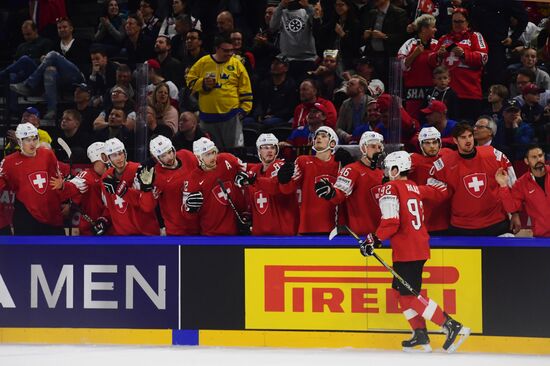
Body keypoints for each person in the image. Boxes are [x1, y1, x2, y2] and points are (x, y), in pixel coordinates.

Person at [365, 150, 469, 353]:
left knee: (410, 295)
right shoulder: (413, 186)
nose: (385, 172)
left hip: (407, 250)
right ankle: (420, 334)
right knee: (400, 293)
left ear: (395, 169)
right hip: (416, 247)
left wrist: (373, 239)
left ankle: (450, 325)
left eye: (388, 168)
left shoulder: (390, 187)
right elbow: (439, 190)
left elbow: (391, 222)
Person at [431, 123, 520, 236]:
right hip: (462, 227)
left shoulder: (493, 155)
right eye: (463, 137)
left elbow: (513, 183)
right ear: (455, 140)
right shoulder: (444, 164)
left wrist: (515, 213)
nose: (468, 140)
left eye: (470, 136)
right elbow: (434, 192)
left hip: (495, 223)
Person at [278, 126, 352, 235]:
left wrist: (349, 165)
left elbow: (348, 193)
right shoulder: (303, 161)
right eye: (317, 136)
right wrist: (284, 181)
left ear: (332, 143)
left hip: (335, 228)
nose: (318, 138)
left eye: (323, 136)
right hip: (308, 227)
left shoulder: (340, 163)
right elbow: (288, 189)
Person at [186, 33, 253, 150]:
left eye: (231, 50)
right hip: (207, 118)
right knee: (209, 152)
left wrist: (244, 110)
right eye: (225, 50)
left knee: (234, 152)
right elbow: (189, 80)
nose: (229, 54)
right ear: (216, 48)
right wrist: (203, 84)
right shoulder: (203, 62)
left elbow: (246, 88)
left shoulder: (237, 64)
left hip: (231, 117)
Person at [0, 123, 65, 235]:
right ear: (19, 141)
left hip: (50, 212)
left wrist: (65, 200)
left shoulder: (47, 154)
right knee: (25, 251)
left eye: (35, 139)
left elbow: (58, 179)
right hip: (25, 214)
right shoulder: (9, 162)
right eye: (27, 140)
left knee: (57, 250)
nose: (32, 143)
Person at [316, 131, 384, 235]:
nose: (377, 150)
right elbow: (339, 195)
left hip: (381, 235)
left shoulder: (383, 174)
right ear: (363, 148)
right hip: (360, 236)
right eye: (373, 146)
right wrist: (331, 192)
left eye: (379, 147)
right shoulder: (351, 170)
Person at [428, 8, 488, 122]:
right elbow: (430, 60)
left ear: (467, 22)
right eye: (455, 21)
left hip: (470, 93)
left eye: (460, 21)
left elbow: (483, 58)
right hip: (447, 93)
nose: (457, 24)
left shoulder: (475, 36)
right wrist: (438, 55)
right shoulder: (444, 38)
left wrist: (464, 54)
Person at [94, 138, 160, 236]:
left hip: (146, 234)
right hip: (123, 235)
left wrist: (121, 190)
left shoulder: (140, 171)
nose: (119, 158)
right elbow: (110, 206)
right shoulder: (106, 177)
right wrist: (104, 219)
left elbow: (147, 206)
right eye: (114, 155)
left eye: (120, 153)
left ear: (125, 153)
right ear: (108, 158)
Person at [182, 137, 248, 235]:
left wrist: (245, 175)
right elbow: (186, 213)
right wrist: (189, 209)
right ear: (198, 157)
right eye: (207, 154)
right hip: (211, 234)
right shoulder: (192, 180)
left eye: (213, 152)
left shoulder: (227, 159)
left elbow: (248, 168)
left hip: (237, 229)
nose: (213, 157)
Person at [239, 134, 299, 235]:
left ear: (276, 150)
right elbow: (251, 198)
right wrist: (248, 214)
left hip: (283, 234)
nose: (270, 150)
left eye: (272, 147)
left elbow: (275, 187)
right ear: (259, 150)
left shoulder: (282, 168)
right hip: (259, 234)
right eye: (265, 147)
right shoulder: (253, 171)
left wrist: (255, 181)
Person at [142, 135, 199, 235]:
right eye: (163, 156)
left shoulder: (187, 156)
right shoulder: (156, 176)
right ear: (156, 158)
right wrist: (146, 188)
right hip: (177, 230)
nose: (169, 157)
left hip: (199, 223)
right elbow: (148, 207)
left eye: (169, 152)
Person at [50, 142, 110, 235]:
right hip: (91, 231)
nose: (110, 161)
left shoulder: (113, 175)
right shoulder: (87, 176)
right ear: (97, 157)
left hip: (112, 228)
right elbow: (73, 187)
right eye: (106, 157)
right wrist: (63, 186)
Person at [496, 144, 550, 237]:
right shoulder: (521, 184)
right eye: (534, 157)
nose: (539, 159)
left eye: (540, 156)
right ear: (526, 161)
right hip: (542, 236)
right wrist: (503, 185)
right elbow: (511, 207)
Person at [409, 127, 452, 234]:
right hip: (423, 219)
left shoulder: (448, 156)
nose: (432, 146)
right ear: (421, 145)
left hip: (445, 217)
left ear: (440, 143)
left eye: (434, 142)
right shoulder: (412, 160)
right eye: (427, 143)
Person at [398, 14, 439, 120]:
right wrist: (414, 54)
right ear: (424, 29)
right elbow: (401, 66)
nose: (435, 29)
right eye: (433, 27)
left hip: (433, 91)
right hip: (413, 93)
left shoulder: (437, 44)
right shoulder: (409, 44)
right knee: (414, 121)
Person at [269, 0, 320, 83]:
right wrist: (281, 6)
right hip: (288, 60)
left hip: (307, 59)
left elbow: (317, 26)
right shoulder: (282, 12)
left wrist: (307, 6)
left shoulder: (307, 11)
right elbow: (273, 27)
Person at [336, 76, 370, 143]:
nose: (347, 86)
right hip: (349, 141)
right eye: (347, 84)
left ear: (361, 88)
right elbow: (338, 128)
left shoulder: (370, 102)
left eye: (351, 84)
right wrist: (345, 136)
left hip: (367, 139)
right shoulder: (345, 104)